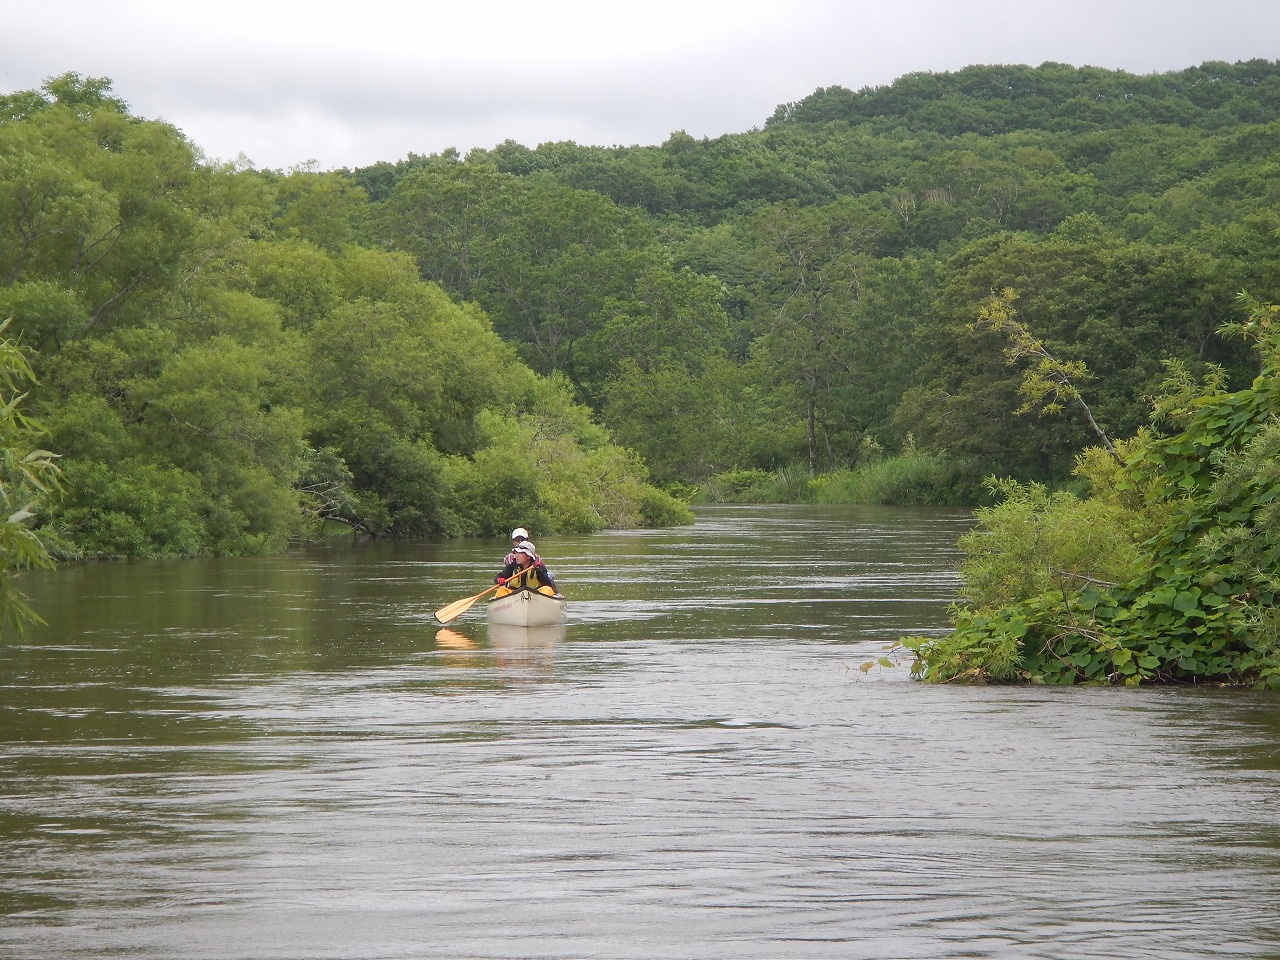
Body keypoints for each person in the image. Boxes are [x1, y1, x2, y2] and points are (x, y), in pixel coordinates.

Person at [495, 542, 559, 595]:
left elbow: (548, 584)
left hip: (535, 595)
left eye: (520, 553)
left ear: (528, 556)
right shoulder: (512, 566)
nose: (516, 555)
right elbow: (500, 576)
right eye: (516, 552)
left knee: (547, 589)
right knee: (501, 590)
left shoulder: (538, 567)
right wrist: (499, 579)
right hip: (514, 594)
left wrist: (539, 571)